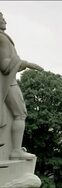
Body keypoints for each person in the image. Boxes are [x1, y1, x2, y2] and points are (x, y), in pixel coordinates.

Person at [0, 12, 43, 160]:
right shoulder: (2, 39)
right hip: (9, 83)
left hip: (8, 81)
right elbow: (5, 66)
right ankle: (16, 151)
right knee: (20, 114)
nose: (4, 20)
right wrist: (25, 63)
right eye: (1, 17)